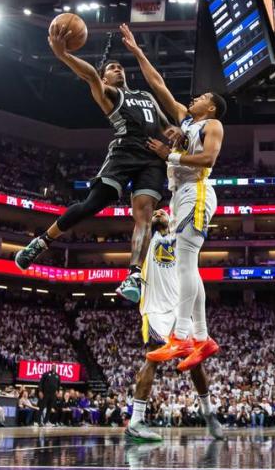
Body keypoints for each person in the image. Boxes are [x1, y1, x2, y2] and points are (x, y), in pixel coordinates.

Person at [14, 23, 176, 303]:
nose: (117, 69)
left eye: (119, 67)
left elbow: (165, 126)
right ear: (105, 78)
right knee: (91, 205)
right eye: (111, 68)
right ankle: (42, 241)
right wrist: (63, 55)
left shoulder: (146, 97)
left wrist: (173, 137)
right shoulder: (110, 94)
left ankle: (134, 274)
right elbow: (90, 75)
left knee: (144, 216)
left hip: (151, 160)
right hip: (124, 154)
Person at [120, 23, 227, 372]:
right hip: (182, 194)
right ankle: (202, 336)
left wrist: (171, 156)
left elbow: (209, 160)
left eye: (202, 97)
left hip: (196, 191)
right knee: (189, 265)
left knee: (185, 263)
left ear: (211, 108)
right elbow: (158, 85)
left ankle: (182, 335)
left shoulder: (213, 126)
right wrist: (137, 53)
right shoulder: (186, 120)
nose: (195, 98)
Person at [125, 209, 224, 442]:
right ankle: (136, 421)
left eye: (164, 211)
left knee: (196, 362)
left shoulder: (181, 240)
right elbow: (141, 214)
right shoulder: (146, 238)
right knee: (152, 359)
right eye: (156, 210)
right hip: (155, 310)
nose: (159, 211)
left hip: (180, 312)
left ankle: (208, 411)